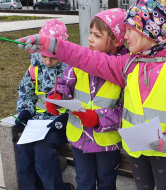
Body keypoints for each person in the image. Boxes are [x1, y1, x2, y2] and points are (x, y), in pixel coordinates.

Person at [16, 1, 166, 189]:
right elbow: (87, 58)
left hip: (165, 149)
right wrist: (50, 45)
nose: (125, 36)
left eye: (131, 29)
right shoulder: (129, 63)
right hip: (135, 148)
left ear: (151, 30)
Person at [44, 8, 128, 190]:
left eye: (97, 35)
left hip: (106, 142)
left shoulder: (125, 71)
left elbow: (128, 110)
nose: (90, 38)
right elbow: (65, 85)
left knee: (106, 183)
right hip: (79, 139)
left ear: (116, 40)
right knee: (83, 181)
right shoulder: (80, 62)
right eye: (90, 33)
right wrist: (56, 96)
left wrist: (99, 118)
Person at [14, 19, 74, 190]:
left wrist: (67, 113)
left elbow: (79, 97)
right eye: (44, 56)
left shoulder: (71, 68)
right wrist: (25, 110)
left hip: (62, 120)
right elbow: (25, 91)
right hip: (37, 121)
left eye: (53, 58)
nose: (48, 62)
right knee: (24, 148)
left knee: (43, 150)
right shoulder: (34, 67)